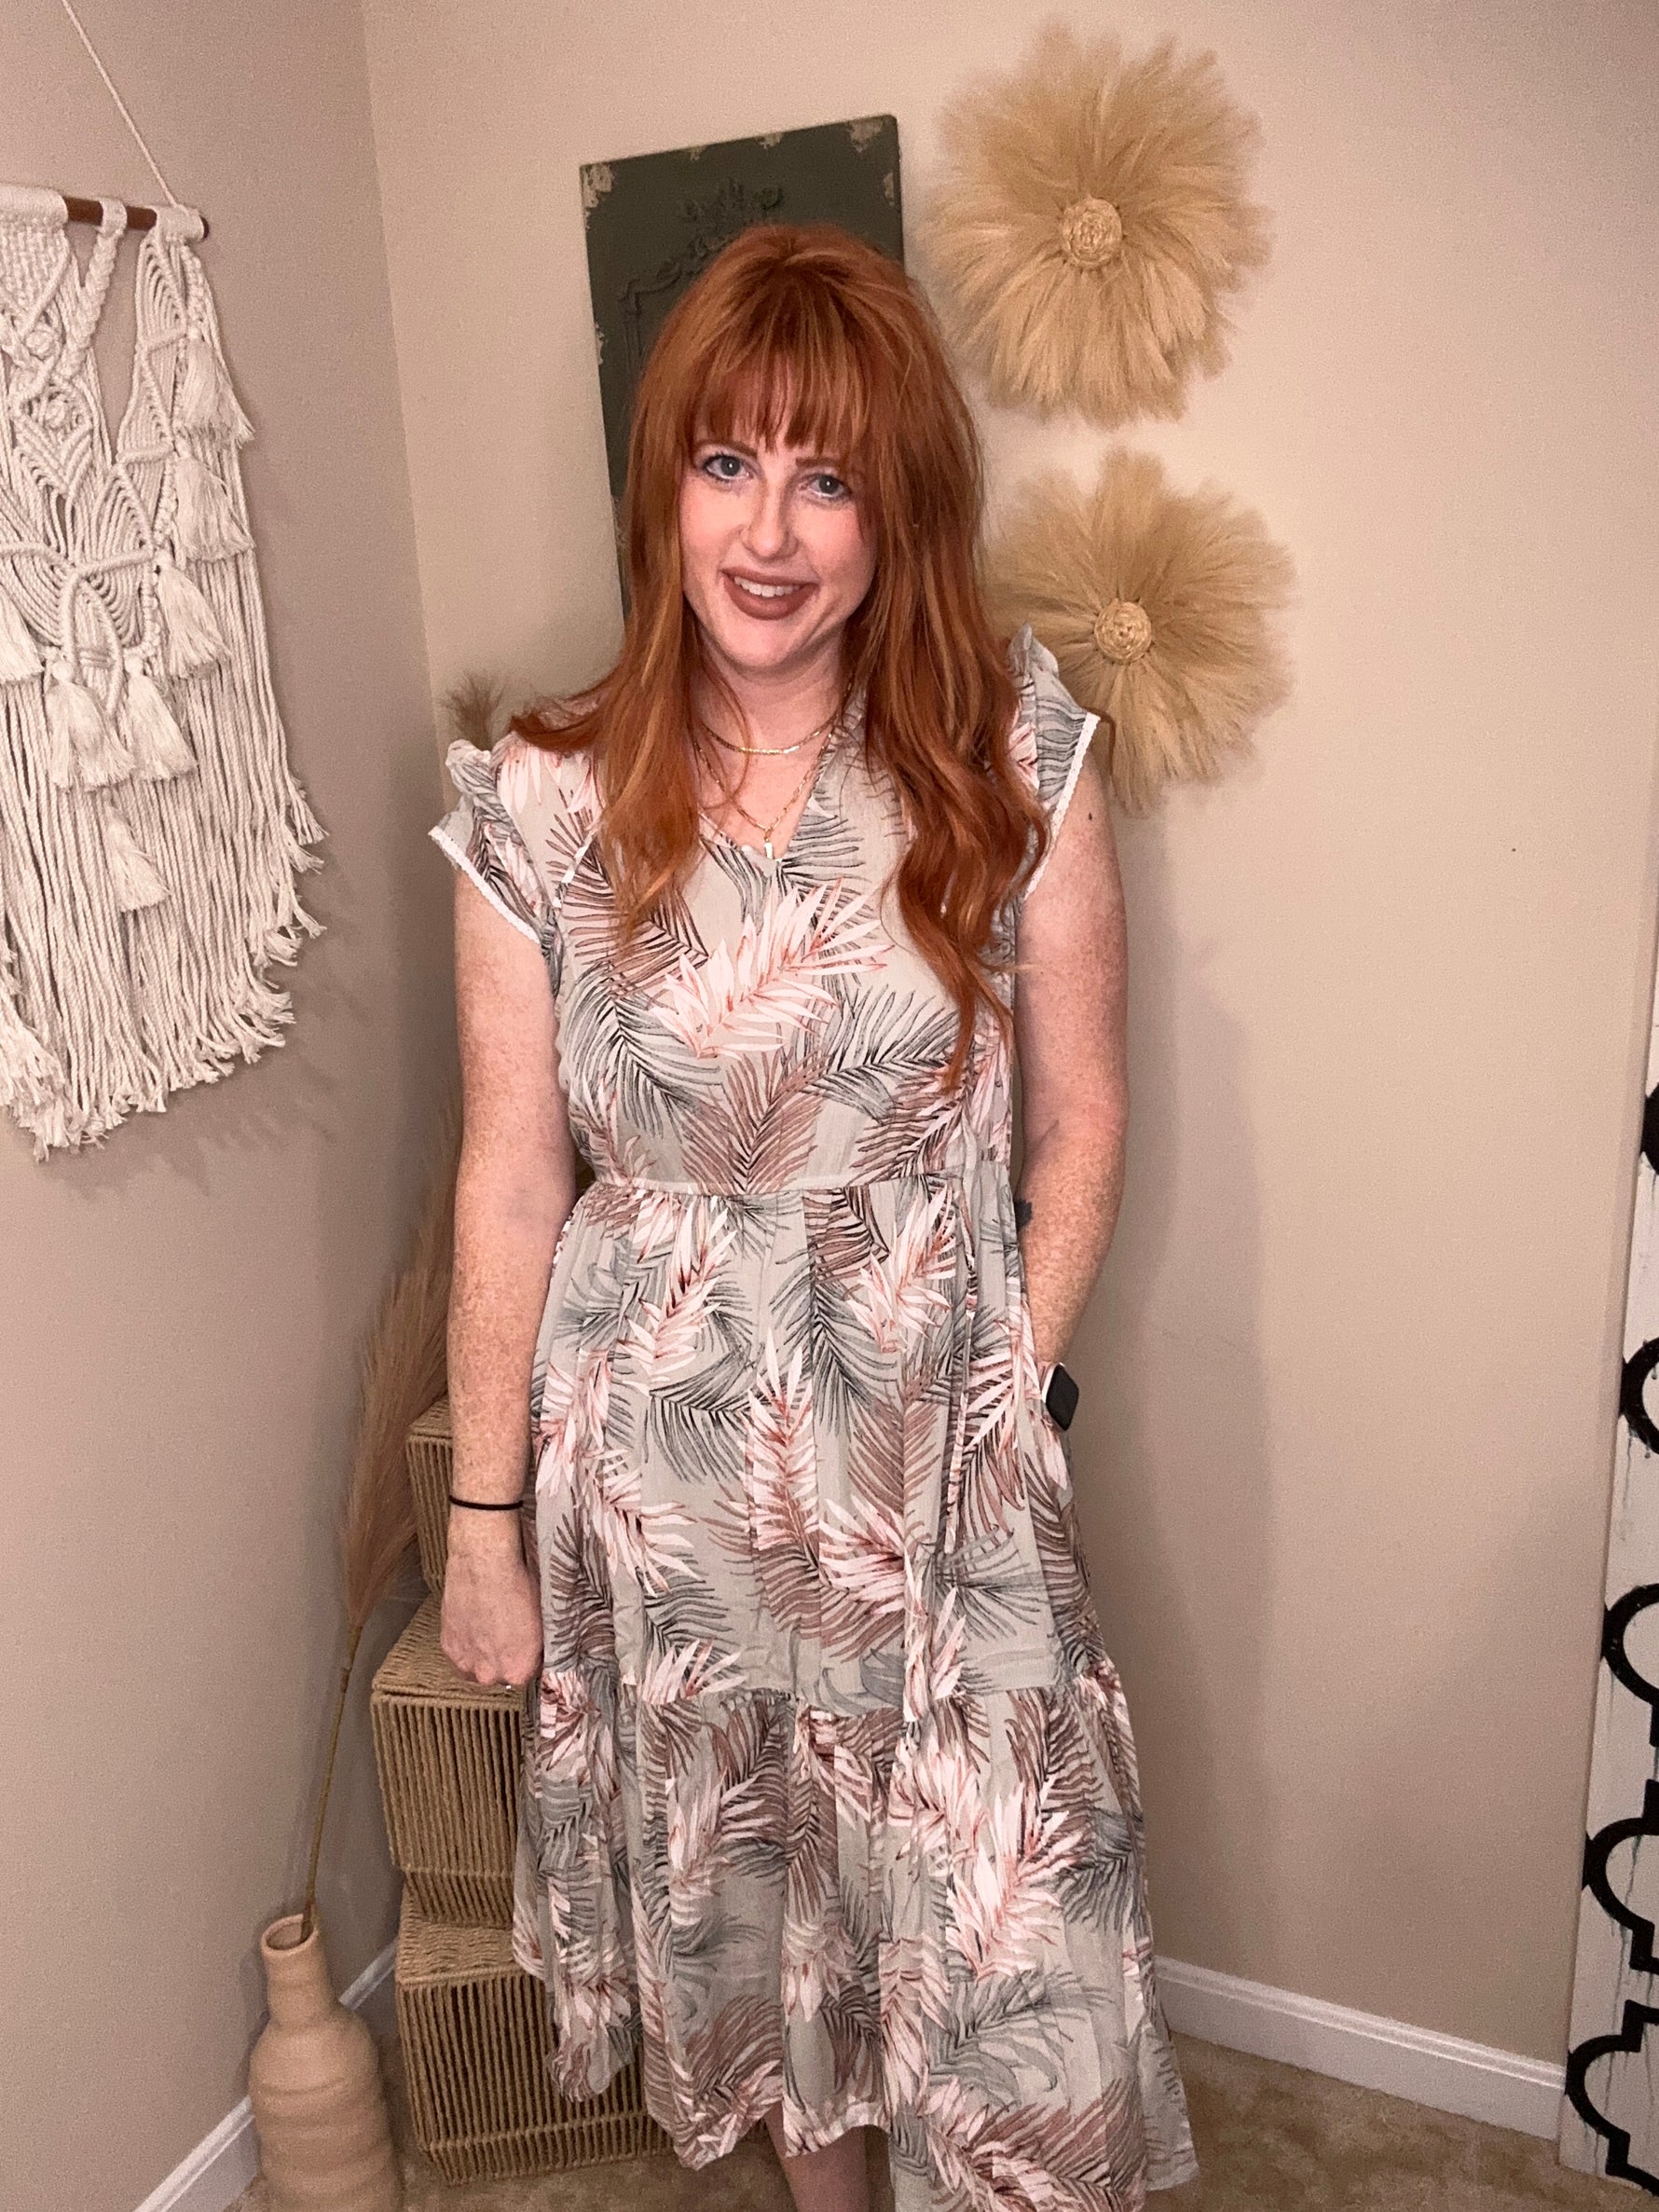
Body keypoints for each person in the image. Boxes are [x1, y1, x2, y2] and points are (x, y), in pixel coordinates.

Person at [429, 221, 1198, 2212]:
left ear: (893, 512)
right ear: (664, 486)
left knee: (1010, 1968)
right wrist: (484, 1523)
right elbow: (511, 1172)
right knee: (781, 1966)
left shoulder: (1005, 757)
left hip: (937, 1467)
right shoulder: (542, 795)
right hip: (671, 1492)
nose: (767, 531)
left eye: (826, 477)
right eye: (726, 462)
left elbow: (1082, 1119)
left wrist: (1007, 1390)